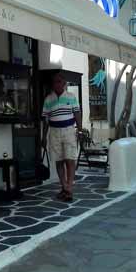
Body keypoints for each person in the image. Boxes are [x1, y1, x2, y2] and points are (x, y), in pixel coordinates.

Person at [41, 73, 81, 202]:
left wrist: (80, 130)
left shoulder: (71, 97)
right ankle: (64, 187)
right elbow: (45, 119)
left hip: (69, 130)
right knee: (59, 160)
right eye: (55, 82)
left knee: (70, 159)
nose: (57, 84)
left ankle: (69, 188)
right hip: (54, 131)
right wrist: (43, 136)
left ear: (64, 84)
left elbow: (77, 113)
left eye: (59, 81)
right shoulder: (48, 99)